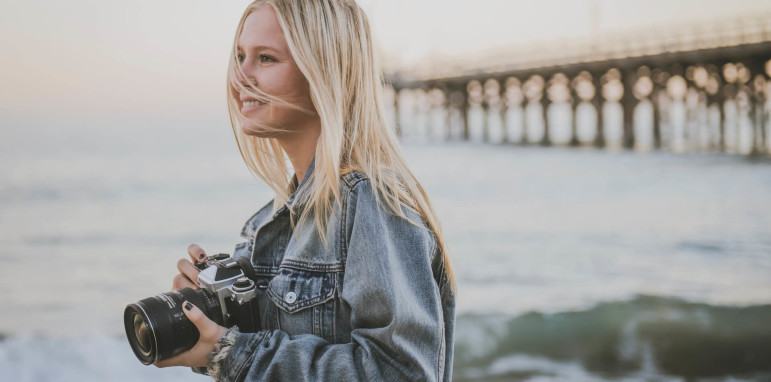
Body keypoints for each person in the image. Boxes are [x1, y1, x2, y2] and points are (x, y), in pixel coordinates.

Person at [154, 0, 455, 381]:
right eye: (239, 56)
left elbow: (401, 372)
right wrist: (208, 326)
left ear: (322, 72)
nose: (240, 76)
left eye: (266, 58)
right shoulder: (267, 221)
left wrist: (231, 354)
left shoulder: (371, 204)